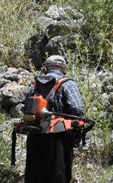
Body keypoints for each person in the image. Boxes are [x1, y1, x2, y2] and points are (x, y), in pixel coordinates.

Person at [24, 54, 86, 183]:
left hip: (34, 137)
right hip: (59, 139)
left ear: (46, 68)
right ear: (63, 69)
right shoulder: (67, 84)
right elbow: (77, 109)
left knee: (34, 177)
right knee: (58, 177)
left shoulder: (34, 86)